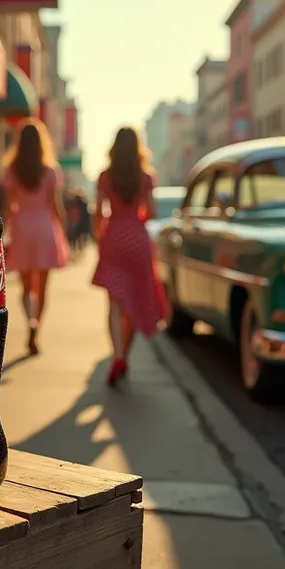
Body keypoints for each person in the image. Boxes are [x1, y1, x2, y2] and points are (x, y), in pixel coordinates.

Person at [92, 126, 168, 385]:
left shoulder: (105, 176)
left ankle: (117, 355)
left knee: (114, 304)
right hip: (137, 238)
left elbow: (99, 214)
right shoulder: (146, 177)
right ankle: (126, 354)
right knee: (135, 299)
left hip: (113, 236)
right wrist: (136, 217)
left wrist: (100, 236)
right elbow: (152, 212)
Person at [1, 118, 69, 354]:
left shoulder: (12, 169)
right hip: (44, 228)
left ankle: (29, 319)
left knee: (26, 287)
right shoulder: (50, 171)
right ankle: (36, 328)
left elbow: (9, 207)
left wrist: (3, 234)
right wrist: (63, 232)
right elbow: (55, 206)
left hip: (22, 228)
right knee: (43, 288)